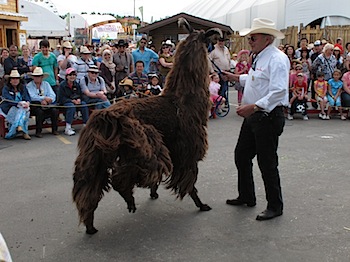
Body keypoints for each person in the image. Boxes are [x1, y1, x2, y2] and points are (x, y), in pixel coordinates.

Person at [223, 18, 289, 221]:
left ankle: (275, 206)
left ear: (267, 39)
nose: (250, 41)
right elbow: (256, 80)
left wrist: (253, 106)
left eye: (253, 37)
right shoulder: (260, 56)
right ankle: (247, 196)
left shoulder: (277, 59)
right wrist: (236, 78)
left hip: (266, 115)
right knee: (241, 155)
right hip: (255, 115)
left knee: (267, 162)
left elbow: (279, 91)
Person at [26, 67, 59, 138]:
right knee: (39, 112)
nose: (37, 78)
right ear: (33, 77)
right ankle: (38, 131)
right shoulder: (29, 85)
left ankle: (55, 130)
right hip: (35, 105)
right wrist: (43, 98)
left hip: (47, 104)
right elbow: (31, 96)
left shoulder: (46, 84)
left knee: (54, 111)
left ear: (42, 77)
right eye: (35, 76)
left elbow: (53, 95)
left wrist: (49, 99)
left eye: (39, 76)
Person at [0, 70, 31, 140]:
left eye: (17, 78)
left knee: (26, 110)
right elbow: (8, 100)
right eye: (13, 78)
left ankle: (18, 127)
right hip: (9, 108)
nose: (15, 80)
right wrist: (19, 104)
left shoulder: (23, 87)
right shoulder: (6, 88)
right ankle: (23, 130)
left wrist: (27, 103)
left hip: (21, 107)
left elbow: (27, 97)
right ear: (10, 80)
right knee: (23, 110)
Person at [58, 68, 89, 136]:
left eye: (74, 75)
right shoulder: (62, 85)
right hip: (65, 102)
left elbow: (80, 94)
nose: (72, 76)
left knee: (84, 105)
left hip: (76, 101)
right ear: (66, 76)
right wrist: (72, 101)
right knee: (71, 106)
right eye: (70, 75)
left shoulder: (76, 84)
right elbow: (61, 98)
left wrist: (79, 99)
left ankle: (85, 125)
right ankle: (68, 127)